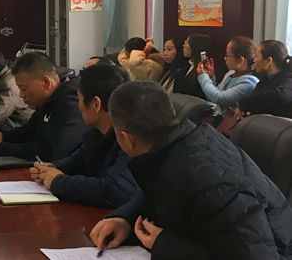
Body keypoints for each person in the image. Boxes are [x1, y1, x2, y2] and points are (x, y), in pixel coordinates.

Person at [90, 81, 292, 259]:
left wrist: (165, 245)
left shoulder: (209, 182)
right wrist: (125, 219)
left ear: (127, 139)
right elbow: (162, 196)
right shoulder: (181, 144)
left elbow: (257, 256)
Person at [30, 61, 140, 208]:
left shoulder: (132, 137)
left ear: (96, 104)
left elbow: (116, 190)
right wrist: (52, 167)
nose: (78, 105)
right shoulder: (98, 131)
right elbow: (79, 160)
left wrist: (58, 181)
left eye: (79, 99)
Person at [0, 52, 89, 161]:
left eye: (24, 89)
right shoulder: (47, 102)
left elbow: (51, 151)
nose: (21, 95)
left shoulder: (72, 104)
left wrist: (1, 148)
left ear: (46, 82)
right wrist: (2, 136)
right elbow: (28, 131)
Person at [196, 36, 258, 120]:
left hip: (231, 125)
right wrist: (210, 77)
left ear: (240, 60)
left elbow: (219, 98)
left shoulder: (249, 82)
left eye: (227, 55)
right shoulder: (230, 73)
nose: (224, 58)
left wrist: (203, 77)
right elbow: (212, 97)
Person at [236, 40, 292, 119]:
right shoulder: (265, 80)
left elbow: (279, 96)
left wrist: (243, 104)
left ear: (269, 60)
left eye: (256, 56)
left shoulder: (289, 80)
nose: (254, 60)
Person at [168, 33, 213, 99]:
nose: (183, 45)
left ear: (195, 46)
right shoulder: (185, 67)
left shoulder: (204, 70)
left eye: (187, 42)